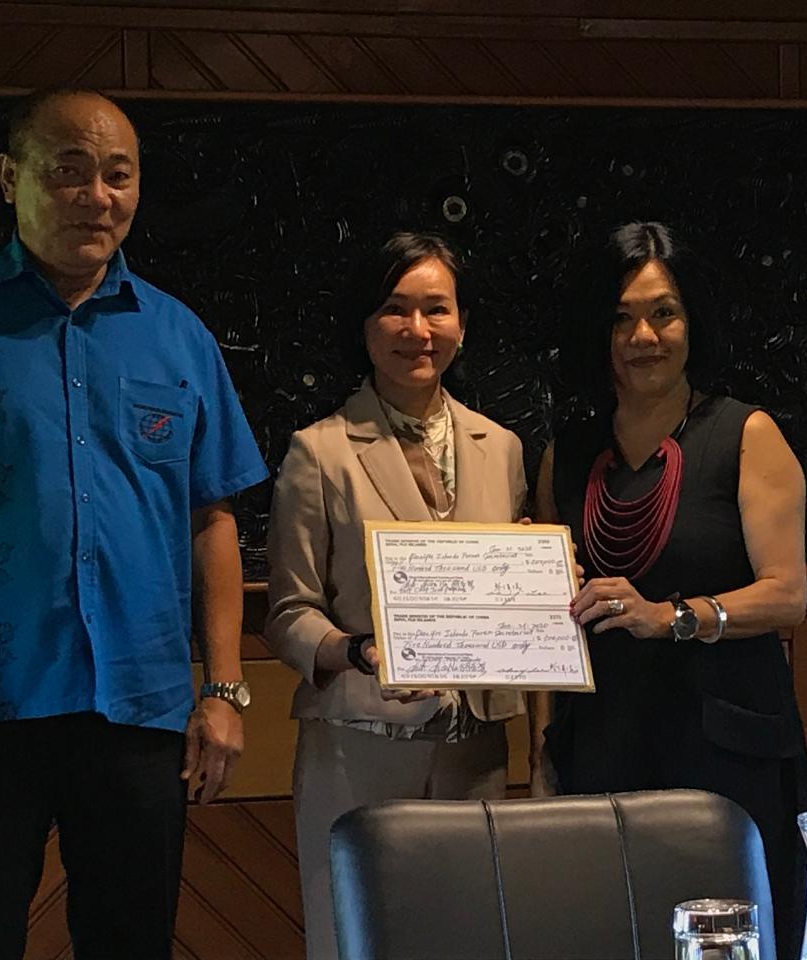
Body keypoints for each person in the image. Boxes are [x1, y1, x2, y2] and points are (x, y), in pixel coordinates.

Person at [0, 88, 268, 959]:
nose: (97, 197)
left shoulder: (179, 336)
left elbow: (211, 518)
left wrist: (223, 691)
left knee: (131, 944)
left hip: (139, 711)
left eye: (118, 174)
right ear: (11, 178)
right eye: (69, 171)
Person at [530, 221, 807, 956]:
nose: (643, 336)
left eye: (664, 313)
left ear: (693, 323)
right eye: (621, 317)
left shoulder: (747, 434)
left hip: (727, 754)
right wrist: (542, 744)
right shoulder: (567, 456)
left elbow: (787, 595)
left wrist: (671, 617)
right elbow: (551, 618)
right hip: (603, 745)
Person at [265, 231, 527, 960]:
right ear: (365, 324)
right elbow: (287, 614)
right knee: (359, 941)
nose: (418, 330)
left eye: (436, 309)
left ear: (463, 322)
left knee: (472, 944)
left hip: (476, 749)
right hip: (360, 750)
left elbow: (507, 593)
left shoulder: (501, 447)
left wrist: (540, 588)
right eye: (394, 309)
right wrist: (356, 651)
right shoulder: (319, 450)